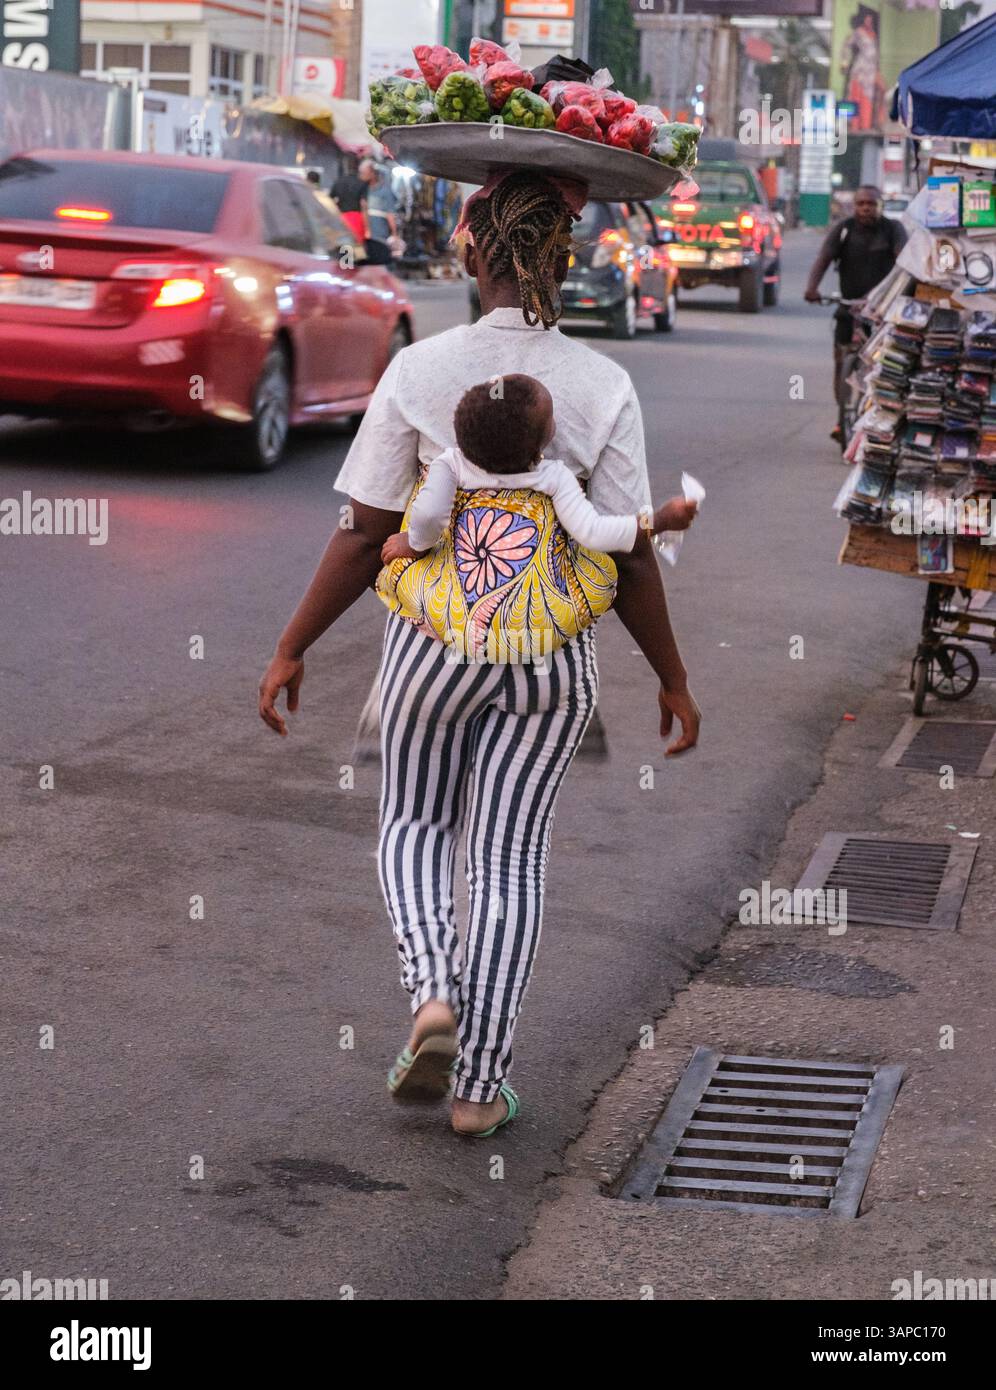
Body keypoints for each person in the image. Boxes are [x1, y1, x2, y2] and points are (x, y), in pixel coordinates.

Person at [258, 170, 700, 1139]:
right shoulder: (603, 383)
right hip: (550, 665)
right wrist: (671, 677)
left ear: (468, 251)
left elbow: (363, 528)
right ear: (561, 260)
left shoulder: (419, 371)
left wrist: (292, 646)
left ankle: (431, 996)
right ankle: (477, 1089)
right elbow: (626, 551)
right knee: (509, 860)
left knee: (413, 824)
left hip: (428, 650)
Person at [381, 374, 697, 566]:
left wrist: (414, 543)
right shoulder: (555, 477)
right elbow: (594, 533)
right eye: (552, 420)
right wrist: (660, 520)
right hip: (534, 621)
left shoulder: (450, 464)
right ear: (540, 447)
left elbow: (427, 515)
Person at [804, 184, 906, 439]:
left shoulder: (893, 230)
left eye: (871, 204)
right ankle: (842, 416)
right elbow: (823, 259)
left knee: (885, 363)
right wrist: (812, 288)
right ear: (854, 206)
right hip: (849, 306)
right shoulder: (844, 229)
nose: (865, 209)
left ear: (879, 206)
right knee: (841, 359)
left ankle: (881, 415)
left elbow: (904, 259)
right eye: (861, 204)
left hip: (883, 309)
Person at [330, 156, 375, 243]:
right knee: (357, 249)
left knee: (344, 246)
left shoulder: (338, 182)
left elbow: (330, 201)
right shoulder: (362, 183)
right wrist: (367, 229)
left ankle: (346, 257)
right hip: (356, 219)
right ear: (358, 167)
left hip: (341, 219)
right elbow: (363, 205)